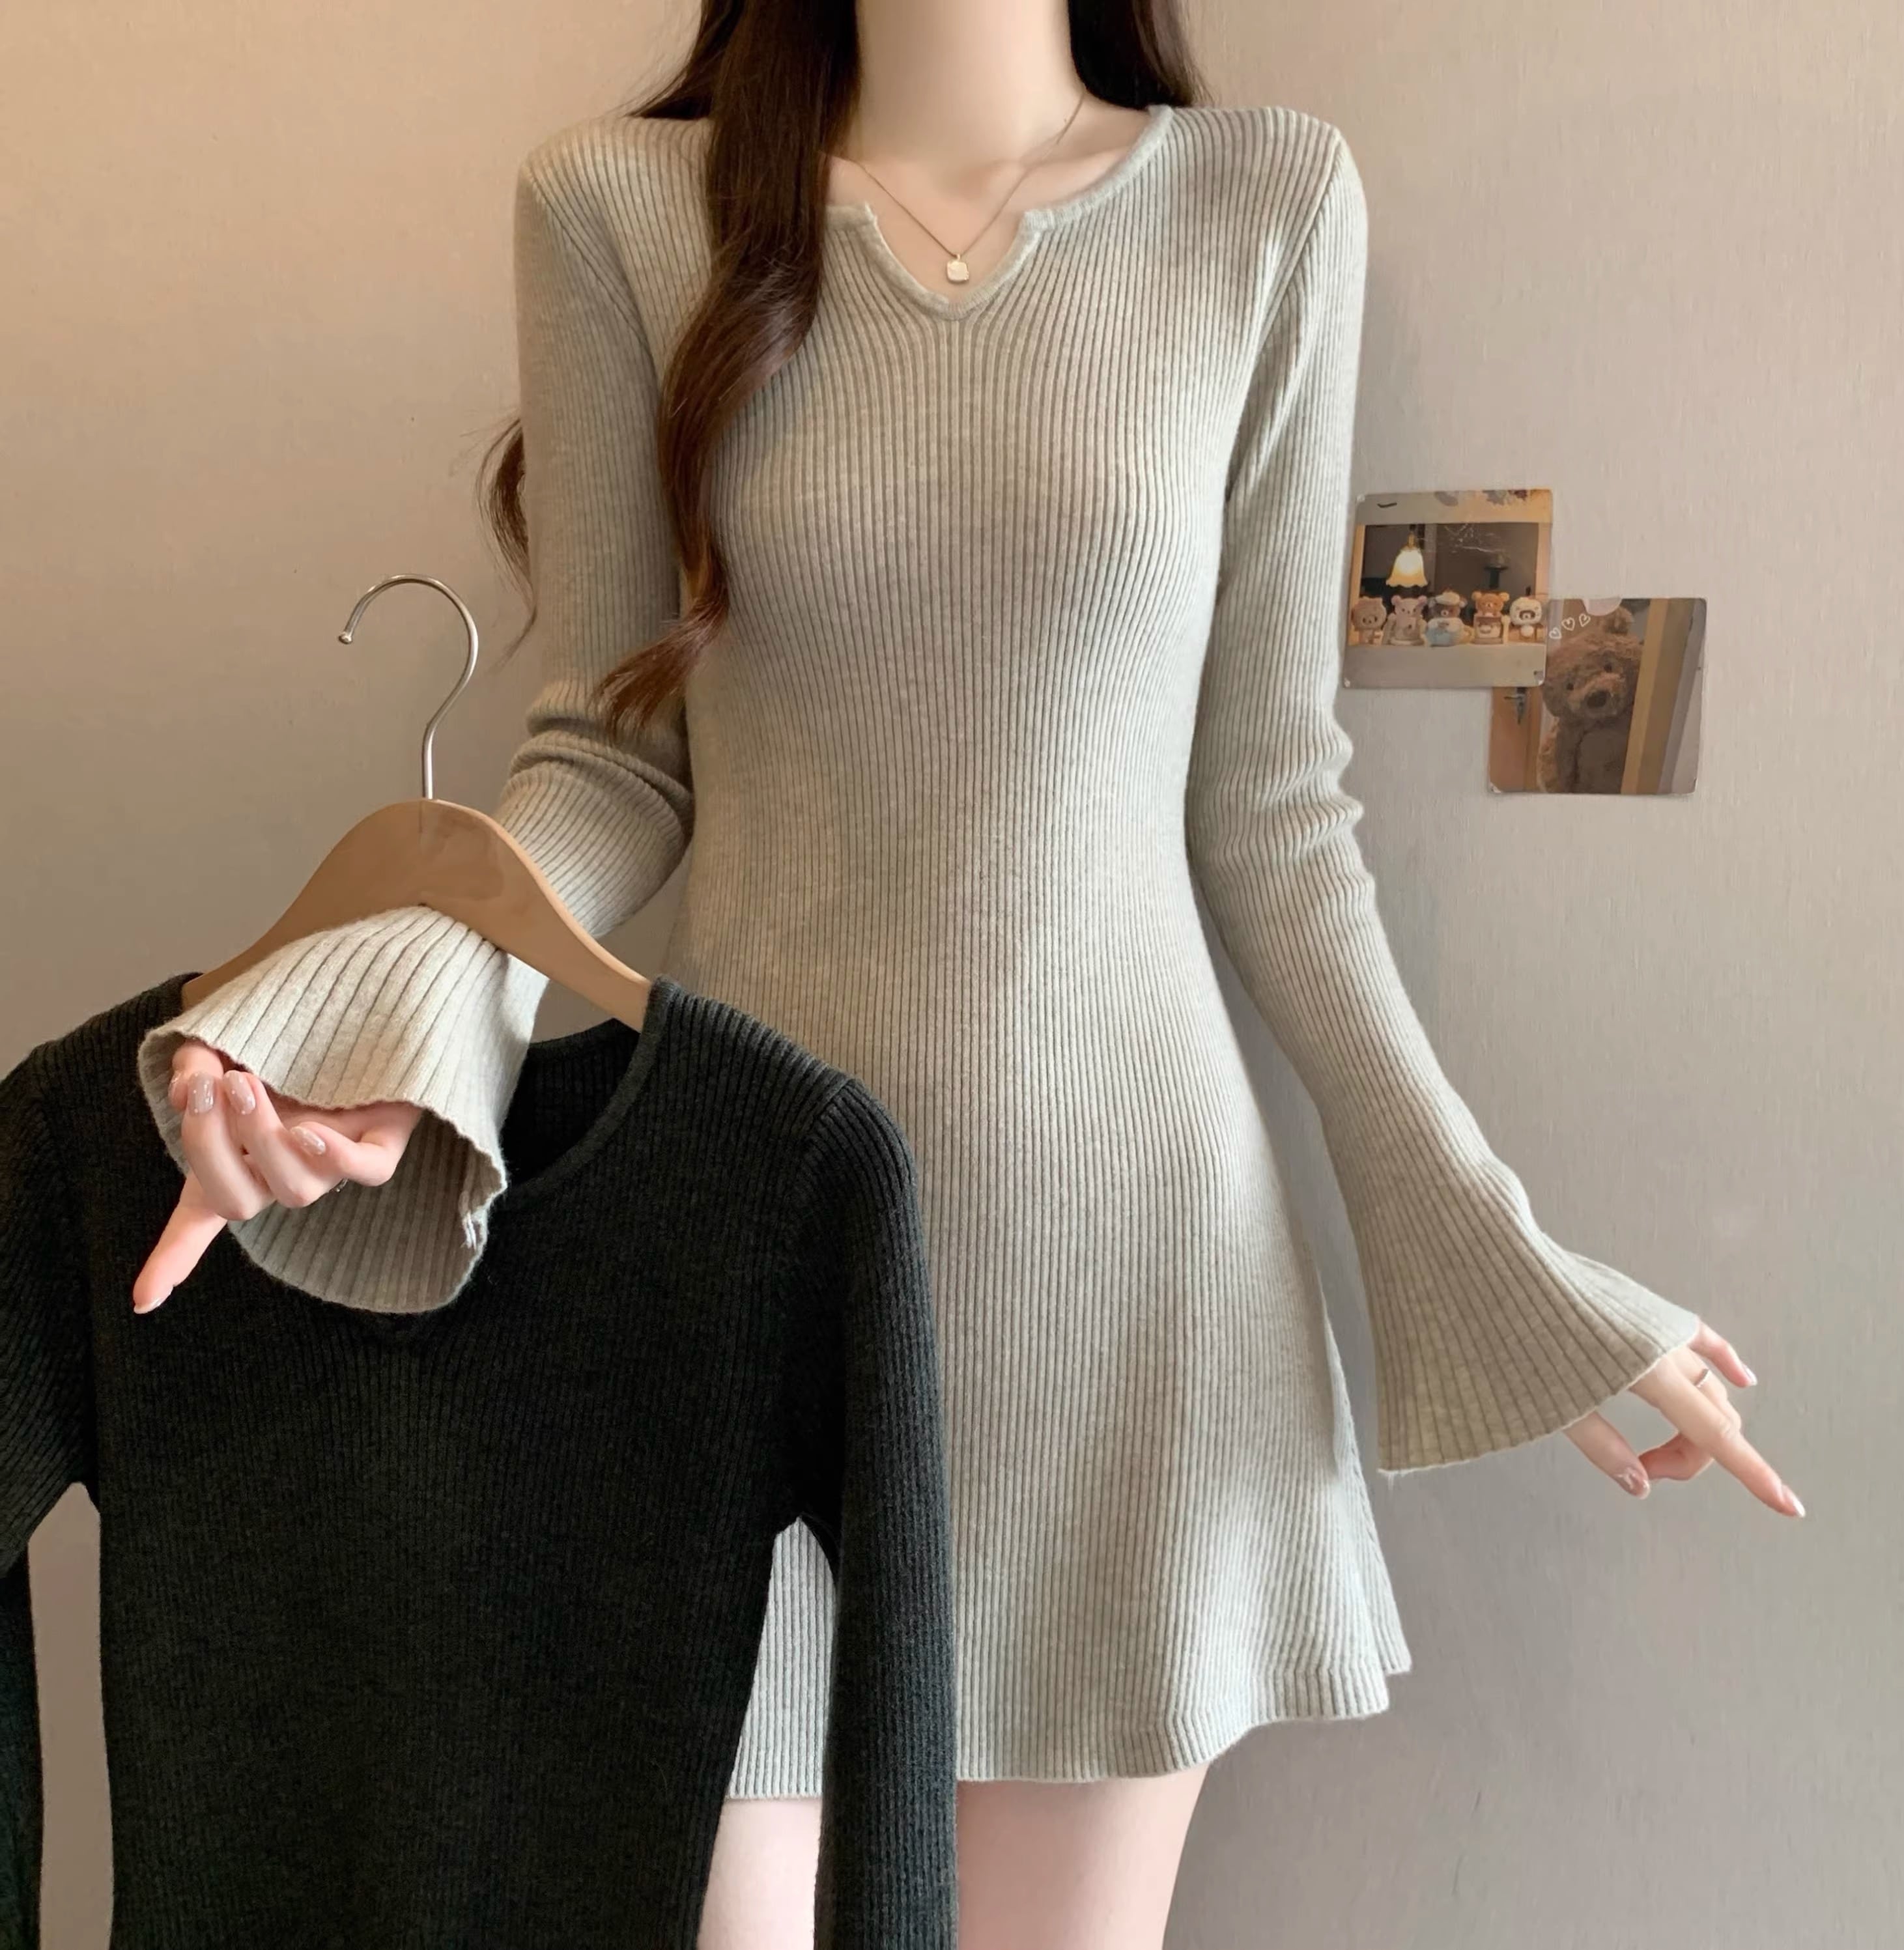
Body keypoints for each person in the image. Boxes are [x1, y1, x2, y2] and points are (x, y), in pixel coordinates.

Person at [126, 7, 1801, 1947]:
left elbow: (1273, 818)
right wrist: (383, 1024)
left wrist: (1503, 1269)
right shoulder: (619, 211)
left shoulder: (1265, 203)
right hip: (754, 1285)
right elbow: (605, 761)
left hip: (1134, 1312)